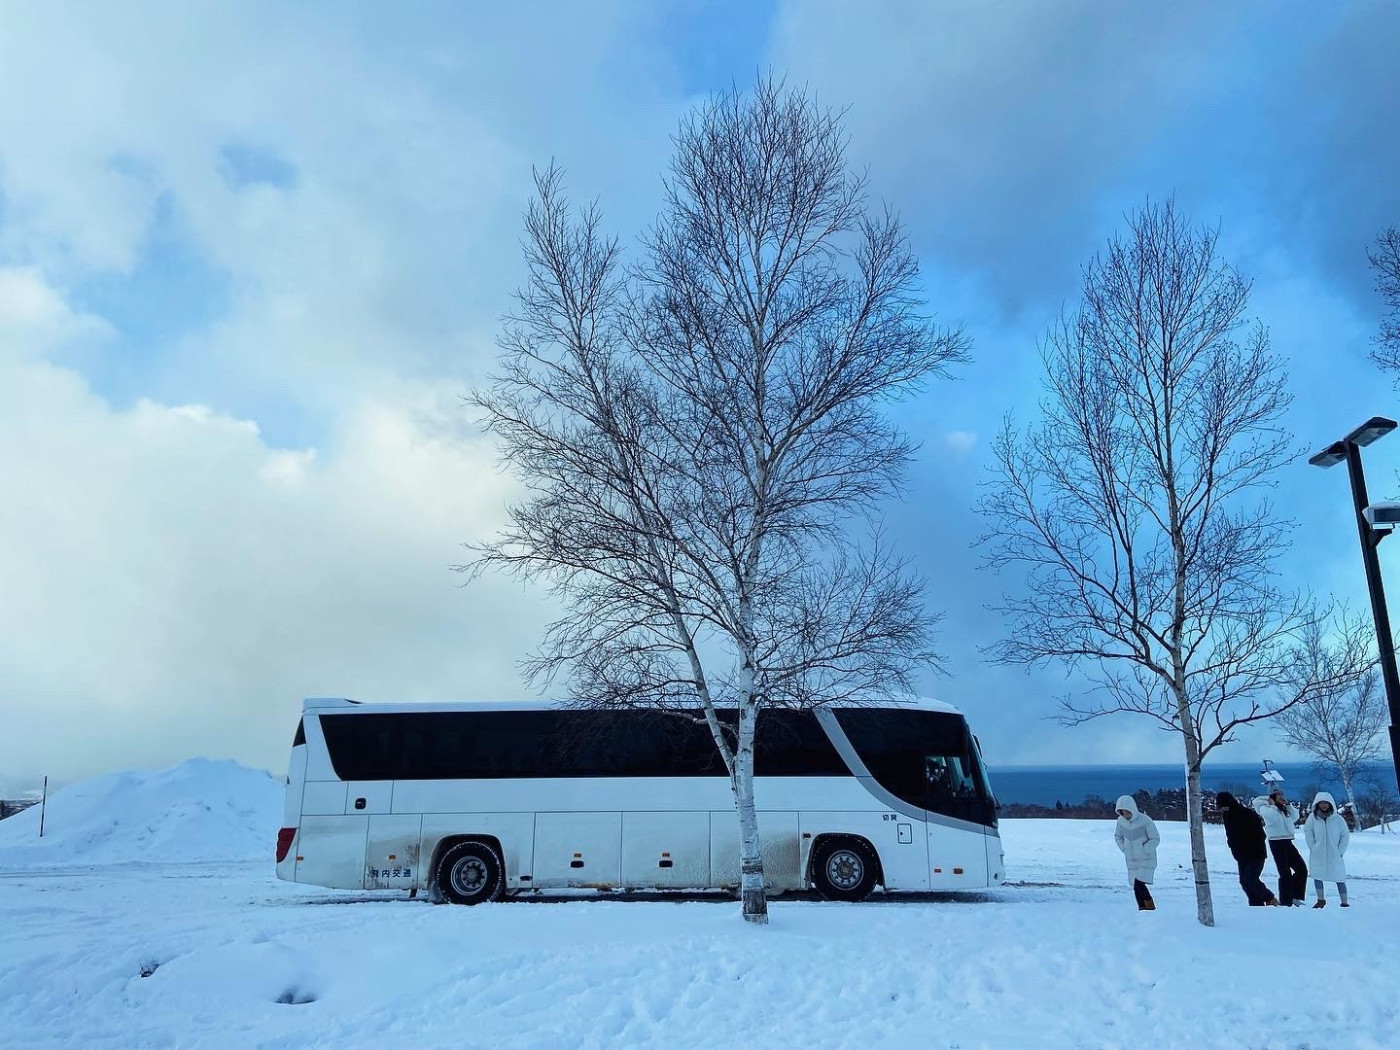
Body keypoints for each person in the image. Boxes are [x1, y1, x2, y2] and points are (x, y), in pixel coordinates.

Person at [1216, 791, 1279, 906]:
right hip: (1240, 854)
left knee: (1251, 878)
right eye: (1222, 807)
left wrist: (1249, 844)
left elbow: (1260, 834)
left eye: (1225, 806)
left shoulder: (1247, 813)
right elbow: (1231, 835)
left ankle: (1270, 899)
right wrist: (1233, 846)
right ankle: (1256, 904)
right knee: (1244, 881)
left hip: (1256, 852)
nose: (1223, 809)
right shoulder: (1227, 815)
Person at [1253, 786, 1307, 906]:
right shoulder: (1264, 808)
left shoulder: (1284, 808)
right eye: (1278, 795)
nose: (1282, 796)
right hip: (1276, 841)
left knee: (1301, 869)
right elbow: (1273, 818)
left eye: (1282, 794)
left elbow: (1295, 817)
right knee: (1285, 873)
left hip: (1287, 840)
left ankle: (1295, 896)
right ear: (1272, 797)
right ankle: (1286, 901)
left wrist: (1288, 805)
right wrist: (1272, 804)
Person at [1304, 791, 1351, 909]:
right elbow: (1308, 832)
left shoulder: (1338, 819)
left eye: (1326, 803)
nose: (1324, 805)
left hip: (1334, 854)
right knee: (1317, 875)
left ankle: (1344, 902)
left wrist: (1340, 851)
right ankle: (1320, 900)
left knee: (1339, 877)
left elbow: (1345, 835)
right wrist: (1313, 847)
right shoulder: (1312, 818)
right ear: (1317, 804)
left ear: (1330, 804)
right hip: (1318, 853)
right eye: (1321, 803)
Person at [1113, 794, 1160, 911]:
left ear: (1133, 809)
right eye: (1123, 812)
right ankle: (1146, 908)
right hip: (1131, 861)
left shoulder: (1145, 820)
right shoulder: (1120, 822)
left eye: (1128, 812)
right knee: (1137, 885)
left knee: (1139, 884)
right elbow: (1118, 836)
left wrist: (1145, 849)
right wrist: (1124, 848)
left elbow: (1155, 838)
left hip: (1146, 859)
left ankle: (1146, 908)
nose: (1126, 815)